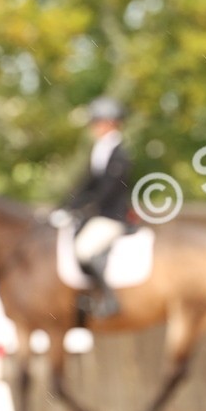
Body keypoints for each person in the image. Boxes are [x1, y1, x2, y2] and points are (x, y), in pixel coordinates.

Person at [61, 97, 133, 319]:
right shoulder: (100, 150)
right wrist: (66, 205)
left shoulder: (120, 154)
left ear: (110, 123)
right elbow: (88, 183)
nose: (94, 127)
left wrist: (88, 208)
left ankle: (109, 298)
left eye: (97, 122)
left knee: (84, 250)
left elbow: (109, 189)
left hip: (112, 216)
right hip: (98, 214)